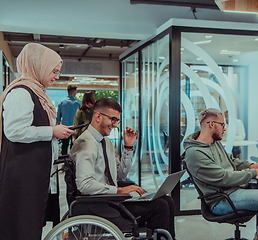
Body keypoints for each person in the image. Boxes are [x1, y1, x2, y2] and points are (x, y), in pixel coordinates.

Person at [70, 98, 175, 239]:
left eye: (117, 120)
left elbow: (119, 176)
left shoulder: (105, 141)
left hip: (112, 199)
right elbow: (85, 185)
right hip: (100, 203)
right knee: (160, 206)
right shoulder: (86, 143)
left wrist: (128, 147)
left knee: (167, 201)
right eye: (112, 119)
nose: (115, 124)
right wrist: (119, 190)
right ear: (98, 116)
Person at [0, 43, 74, 240]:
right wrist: (52, 131)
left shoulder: (36, 92)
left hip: (32, 176)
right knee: (21, 227)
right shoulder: (21, 93)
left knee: (31, 225)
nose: (56, 76)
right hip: (22, 178)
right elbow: (14, 131)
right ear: (38, 66)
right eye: (54, 71)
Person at [183, 108, 258, 240]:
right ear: (211, 124)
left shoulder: (214, 143)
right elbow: (224, 178)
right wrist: (256, 171)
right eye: (222, 125)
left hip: (235, 189)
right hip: (221, 199)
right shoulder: (195, 153)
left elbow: (232, 162)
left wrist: (251, 166)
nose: (224, 129)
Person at [57, 84, 81, 155]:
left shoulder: (61, 102)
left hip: (65, 128)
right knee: (74, 148)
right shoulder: (79, 103)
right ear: (75, 92)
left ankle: (64, 163)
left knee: (64, 147)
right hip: (75, 128)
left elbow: (58, 118)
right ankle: (72, 164)